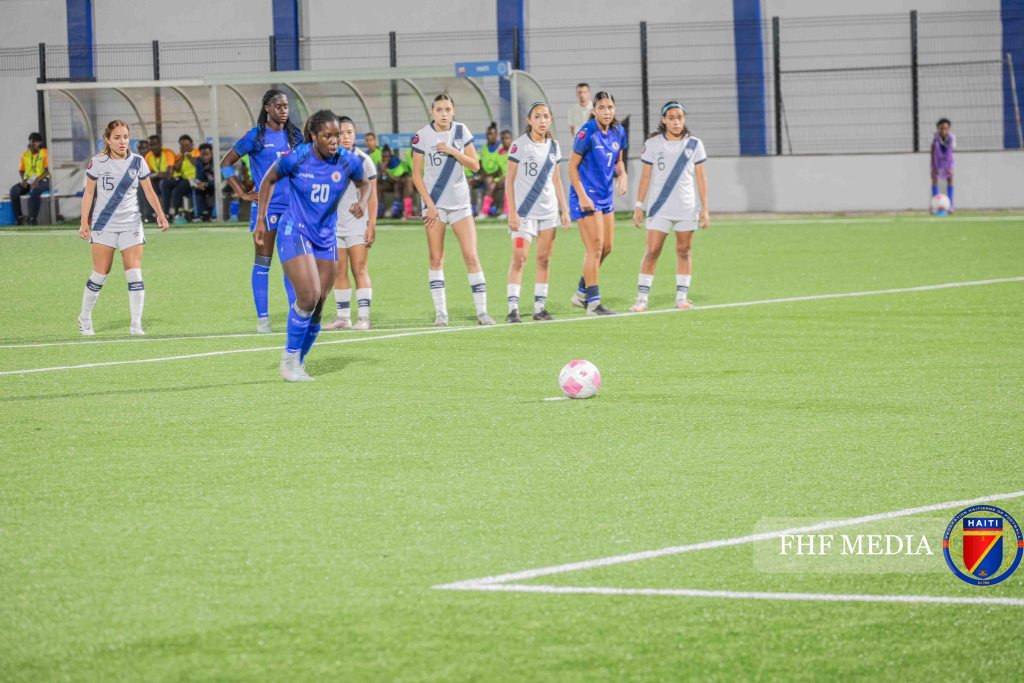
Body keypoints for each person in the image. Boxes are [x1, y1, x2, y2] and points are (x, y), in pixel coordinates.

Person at [254, 110, 371, 382]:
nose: (335, 141)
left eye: (338, 135)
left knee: (318, 305)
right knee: (307, 296)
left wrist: (362, 204)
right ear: (314, 136)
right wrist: (261, 220)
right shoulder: (298, 157)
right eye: (328, 136)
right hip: (294, 230)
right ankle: (289, 359)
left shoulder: (347, 161)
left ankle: (297, 362)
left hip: (325, 237)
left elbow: (365, 185)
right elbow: (268, 180)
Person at [220, 88, 304, 333]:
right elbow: (226, 163)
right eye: (278, 106)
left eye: (286, 106)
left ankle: (294, 315)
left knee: (292, 264)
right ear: (267, 108)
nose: (283, 110)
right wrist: (241, 193)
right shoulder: (255, 137)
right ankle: (263, 320)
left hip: (293, 209)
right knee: (263, 262)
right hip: (266, 209)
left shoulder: (295, 136)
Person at [77, 120, 169, 336]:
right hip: (103, 225)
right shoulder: (97, 162)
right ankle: (84, 317)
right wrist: (84, 221)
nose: (122, 141)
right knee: (100, 274)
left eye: (125, 137)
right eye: (117, 137)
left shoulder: (138, 162)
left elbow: (149, 191)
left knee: (134, 273)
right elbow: (89, 193)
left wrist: (161, 215)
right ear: (108, 140)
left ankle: (136, 324)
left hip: (131, 225)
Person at [411, 94, 495, 326]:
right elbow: (416, 175)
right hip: (434, 206)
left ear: (454, 110)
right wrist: (428, 204)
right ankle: (441, 314)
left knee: (471, 255)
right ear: (432, 112)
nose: (444, 113)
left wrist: (453, 151)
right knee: (436, 259)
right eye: (439, 109)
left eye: (448, 109)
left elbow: (475, 166)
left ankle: (482, 312)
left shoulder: (461, 131)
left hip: (460, 205)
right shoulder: (422, 136)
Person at [629, 102, 709, 313]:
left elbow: (701, 178)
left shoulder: (694, 144)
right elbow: (645, 177)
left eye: (680, 117)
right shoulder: (653, 144)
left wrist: (705, 208)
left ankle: (682, 297)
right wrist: (639, 205)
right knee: (652, 251)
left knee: (684, 251)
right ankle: (641, 299)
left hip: (687, 208)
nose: (676, 122)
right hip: (659, 207)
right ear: (664, 120)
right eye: (671, 118)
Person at [504, 102, 571, 323]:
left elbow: (556, 179)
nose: (542, 121)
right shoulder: (519, 145)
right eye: (537, 116)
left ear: (550, 119)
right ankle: (513, 308)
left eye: (546, 116)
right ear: (529, 120)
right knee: (519, 258)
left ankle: (539, 308)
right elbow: (509, 180)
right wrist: (512, 212)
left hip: (548, 215)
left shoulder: (554, 146)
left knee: (544, 259)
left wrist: (564, 210)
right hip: (524, 215)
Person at [568, 90, 628, 315]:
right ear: (594, 111)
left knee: (607, 247)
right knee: (594, 248)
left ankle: (581, 292)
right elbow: (571, 167)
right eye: (602, 108)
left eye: (610, 107)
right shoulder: (587, 132)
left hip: (605, 196)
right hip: (585, 196)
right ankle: (593, 303)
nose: (606, 111)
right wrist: (582, 196)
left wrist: (622, 175)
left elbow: (618, 161)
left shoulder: (619, 131)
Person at [328, 116, 378, 330]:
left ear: (355, 135)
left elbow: (373, 196)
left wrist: (371, 225)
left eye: (349, 132)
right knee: (339, 270)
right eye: (341, 133)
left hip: (358, 223)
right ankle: (343, 317)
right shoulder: (327, 160)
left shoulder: (364, 160)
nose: (345, 137)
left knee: (359, 268)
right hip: (334, 225)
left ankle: (364, 318)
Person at [10, 132, 50, 225]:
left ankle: (32, 219)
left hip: (43, 180)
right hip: (29, 181)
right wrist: (24, 179)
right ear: (30, 142)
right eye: (33, 142)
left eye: (37, 142)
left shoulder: (44, 153)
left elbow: (47, 171)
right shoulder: (25, 154)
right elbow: (21, 170)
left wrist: (37, 180)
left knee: (35, 191)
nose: (34, 144)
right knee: (14, 191)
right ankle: (19, 218)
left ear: (40, 143)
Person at [165, 134, 199, 222]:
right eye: (182, 146)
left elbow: (198, 164)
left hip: (195, 179)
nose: (185, 148)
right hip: (184, 179)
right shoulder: (180, 155)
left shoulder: (196, 152)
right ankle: (173, 213)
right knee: (169, 186)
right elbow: (176, 168)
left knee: (177, 190)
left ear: (192, 144)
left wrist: (189, 156)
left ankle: (179, 213)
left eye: (187, 145)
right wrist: (183, 156)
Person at [377, 145, 415, 218]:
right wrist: (382, 170)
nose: (385, 159)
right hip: (390, 182)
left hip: (401, 182)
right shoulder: (380, 163)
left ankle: (397, 209)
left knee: (397, 184)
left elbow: (397, 179)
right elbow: (377, 180)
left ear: (391, 156)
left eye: (387, 156)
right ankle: (379, 209)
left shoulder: (395, 162)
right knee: (378, 186)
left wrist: (386, 171)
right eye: (384, 157)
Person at [478, 122, 505, 217]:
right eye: (488, 134)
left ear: (496, 135)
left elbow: (502, 166)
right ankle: (488, 209)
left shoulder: (501, 148)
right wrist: (483, 175)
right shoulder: (484, 148)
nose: (490, 136)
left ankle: (485, 211)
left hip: (499, 176)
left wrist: (495, 177)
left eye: (493, 134)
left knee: (492, 185)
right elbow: (481, 164)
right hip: (486, 176)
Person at [144, 134, 175, 216]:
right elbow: (147, 175)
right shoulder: (148, 156)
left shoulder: (168, 152)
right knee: (143, 185)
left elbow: (169, 174)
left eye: (155, 144)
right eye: (151, 145)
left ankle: (166, 213)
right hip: (158, 179)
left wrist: (156, 174)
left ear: (160, 144)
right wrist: (158, 174)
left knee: (164, 184)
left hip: (173, 180)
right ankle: (148, 214)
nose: (153, 147)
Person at [931, 118, 955, 213]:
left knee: (950, 179)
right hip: (938, 160)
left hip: (947, 161)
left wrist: (950, 167)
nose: (943, 130)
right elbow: (932, 151)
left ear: (949, 129)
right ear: (938, 128)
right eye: (941, 128)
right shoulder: (935, 138)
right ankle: (935, 206)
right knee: (934, 179)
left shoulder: (951, 138)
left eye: (945, 128)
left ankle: (950, 206)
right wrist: (933, 167)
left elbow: (950, 152)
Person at [192, 143, 216, 222]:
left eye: (207, 154)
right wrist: (198, 184)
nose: (205, 157)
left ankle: (214, 215)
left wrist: (205, 183)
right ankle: (199, 215)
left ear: (211, 153)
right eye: (203, 155)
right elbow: (198, 177)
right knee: (196, 190)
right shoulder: (198, 161)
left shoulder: (217, 161)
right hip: (205, 185)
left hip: (216, 185)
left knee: (216, 189)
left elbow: (217, 179)